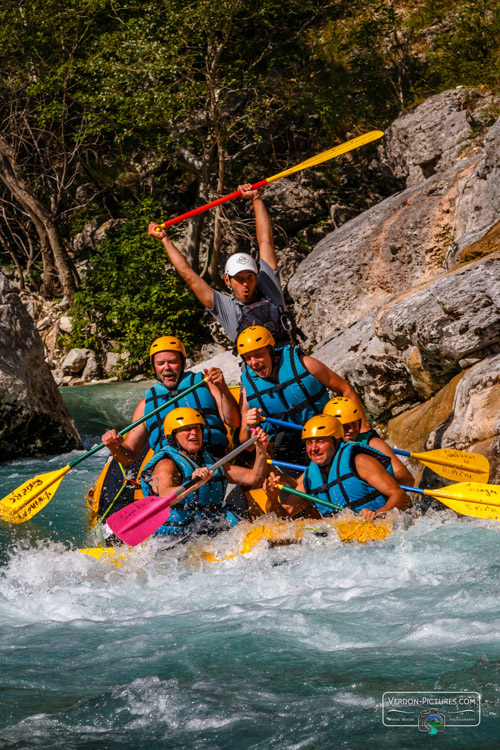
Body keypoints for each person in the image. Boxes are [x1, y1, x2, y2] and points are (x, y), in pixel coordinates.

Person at [148, 184, 297, 346]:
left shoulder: (269, 286)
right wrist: (164, 239)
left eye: (250, 277)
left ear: (257, 277)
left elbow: (266, 241)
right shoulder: (224, 307)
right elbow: (188, 274)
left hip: (290, 360)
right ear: (227, 280)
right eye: (238, 278)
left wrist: (256, 198)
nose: (245, 283)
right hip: (257, 370)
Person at [237, 325, 370, 466]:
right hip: (288, 450)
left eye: (258, 355)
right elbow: (247, 444)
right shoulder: (247, 392)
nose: (253, 363)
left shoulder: (305, 364)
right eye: (248, 358)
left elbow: (345, 390)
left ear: (270, 350)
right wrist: (248, 426)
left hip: (324, 436)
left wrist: (364, 429)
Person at [101, 335, 240, 463]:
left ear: (182, 363)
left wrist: (222, 388)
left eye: (172, 362)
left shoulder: (207, 385)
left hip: (211, 458)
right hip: (170, 464)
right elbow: (129, 457)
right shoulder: (145, 405)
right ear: (154, 367)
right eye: (161, 363)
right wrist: (114, 447)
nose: (167, 368)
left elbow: (234, 422)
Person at [140, 407, 269, 538]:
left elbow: (254, 478)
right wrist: (194, 484)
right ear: (173, 435)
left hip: (208, 528)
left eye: (197, 428)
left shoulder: (211, 462)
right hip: (175, 537)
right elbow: (165, 497)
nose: (194, 433)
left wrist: (261, 450)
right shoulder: (166, 464)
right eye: (187, 429)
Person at [264, 414, 411, 520]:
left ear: (335, 441)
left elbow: (401, 496)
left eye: (320, 441)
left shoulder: (360, 461)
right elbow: (280, 519)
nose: (314, 448)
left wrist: (379, 514)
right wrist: (271, 498)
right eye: (309, 443)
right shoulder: (309, 478)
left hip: (383, 532)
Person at [323, 397, 414, 485]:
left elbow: (407, 478)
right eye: (345, 426)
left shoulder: (372, 443)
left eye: (354, 424)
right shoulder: (322, 453)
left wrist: (378, 480)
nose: (351, 430)